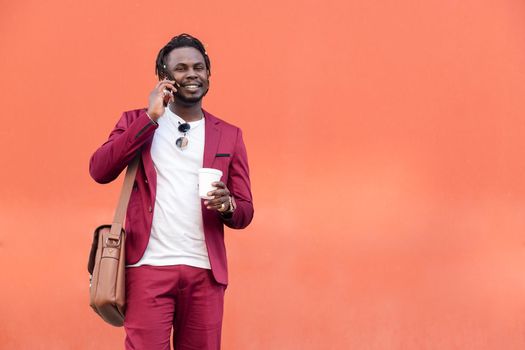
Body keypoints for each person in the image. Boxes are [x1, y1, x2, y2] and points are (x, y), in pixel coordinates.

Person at [89, 33, 254, 350]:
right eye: (180, 68)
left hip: (205, 271)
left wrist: (228, 205)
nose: (192, 74)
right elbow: (99, 170)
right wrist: (151, 118)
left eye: (199, 67)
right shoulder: (136, 120)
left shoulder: (230, 135)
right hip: (147, 266)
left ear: (208, 74)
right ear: (164, 78)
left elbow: (246, 210)